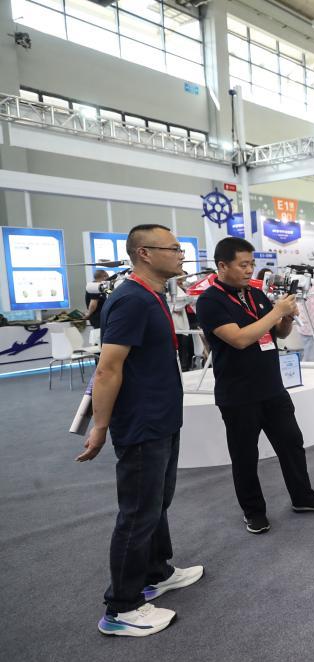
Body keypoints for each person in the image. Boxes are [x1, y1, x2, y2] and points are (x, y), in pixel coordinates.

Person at [76, 224, 204, 638]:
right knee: (137, 513)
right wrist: (100, 426)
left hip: (162, 417)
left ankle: (156, 572)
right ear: (145, 253)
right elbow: (108, 368)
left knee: (157, 503)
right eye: (174, 248)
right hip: (142, 422)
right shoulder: (130, 299)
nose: (181, 254)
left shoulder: (153, 295)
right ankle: (121, 607)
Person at [196, 237, 314, 535]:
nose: (249, 270)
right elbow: (239, 339)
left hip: (272, 388)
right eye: (243, 265)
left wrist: (286, 317)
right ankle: (254, 512)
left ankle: (303, 497)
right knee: (245, 457)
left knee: (292, 445)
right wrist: (276, 311)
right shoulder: (210, 301)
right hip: (238, 394)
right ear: (222, 266)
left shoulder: (256, 294)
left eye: (251, 264)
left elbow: (278, 334)